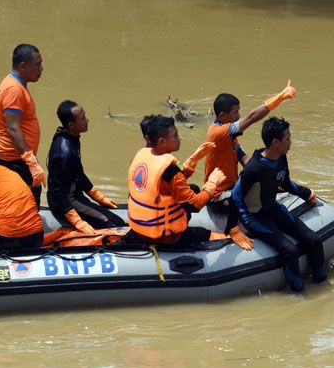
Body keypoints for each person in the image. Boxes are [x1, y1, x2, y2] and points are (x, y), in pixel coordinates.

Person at [183, 80, 297, 248]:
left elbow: (244, 159)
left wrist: (267, 175)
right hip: (218, 196)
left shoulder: (231, 136)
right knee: (249, 193)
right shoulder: (218, 132)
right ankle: (233, 228)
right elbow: (251, 118)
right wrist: (280, 97)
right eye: (235, 113)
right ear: (222, 116)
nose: (238, 116)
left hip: (230, 187)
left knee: (257, 183)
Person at [232, 117, 325, 292]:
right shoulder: (254, 168)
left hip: (273, 208)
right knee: (290, 251)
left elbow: (286, 183)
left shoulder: (281, 158)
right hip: (255, 217)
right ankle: (299, 293)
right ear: (276, 142)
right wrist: (234, 227)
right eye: (287, 138)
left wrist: (306, 193)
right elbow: (236, 195)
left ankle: (322, 283)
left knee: (314, 240)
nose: (290, 142)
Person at [126, 115, 227, 246]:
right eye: (175, 135)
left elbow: (169, 181)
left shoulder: (141, 155)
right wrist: (212, 184)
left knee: (193, 188)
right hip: (161, 235)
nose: (179, 138)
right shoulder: (170, 170)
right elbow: (194, 205)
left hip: (139, 224)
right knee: (205, 233)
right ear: (162, 141)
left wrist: (194, 158)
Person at [47, 100, 125, 233]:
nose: (87, 120)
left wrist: (99, 197)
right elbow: (58, 193)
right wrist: (77, 221)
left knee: (110, 217)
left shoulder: (69, 137)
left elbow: (78, 173)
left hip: (74, 195)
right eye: (82, 118)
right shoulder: (65, 153)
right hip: (66, 202)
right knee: (114, 223)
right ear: (71, 125)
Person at [0, 43, 45, 207]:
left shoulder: (15, 84)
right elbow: (13, 128)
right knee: (27, 206)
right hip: (15, 161)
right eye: (37, 64)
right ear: (23, 66)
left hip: (19, 159)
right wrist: (31, 162)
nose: (41, 69)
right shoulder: (14, 89)